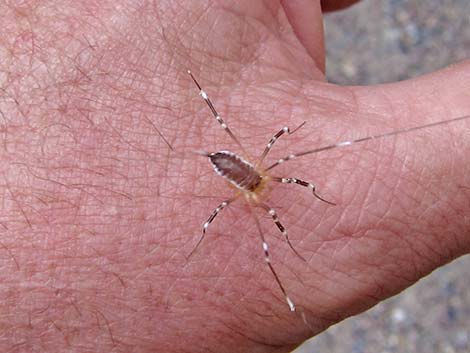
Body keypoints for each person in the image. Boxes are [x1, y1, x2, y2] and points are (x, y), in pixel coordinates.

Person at [1, 1, 469, 352]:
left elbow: (284, 145)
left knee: (290, 175)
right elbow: (230, 208)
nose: (268, 187)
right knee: (260, 236)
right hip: (230, 167)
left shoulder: (268, 177)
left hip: (240, 167)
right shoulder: (244, 193)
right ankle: (279, 284)